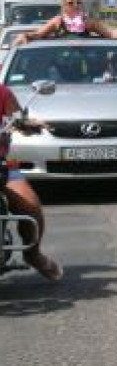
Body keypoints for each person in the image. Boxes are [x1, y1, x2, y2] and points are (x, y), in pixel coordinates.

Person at [0, 83, 62, 281]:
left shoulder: (3, 93)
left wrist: (29, 125)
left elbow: (19, 121)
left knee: (30, 205)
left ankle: (33, 254)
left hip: (2, 167)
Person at [14, 0, 117, 45]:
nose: (75, 6)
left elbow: (110, 34)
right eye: (71, 3)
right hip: (61, 64)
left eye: (79, 3)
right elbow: (38, 34)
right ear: (64, 6)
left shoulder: (88, 22)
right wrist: (25, 35)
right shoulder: (58, 21)